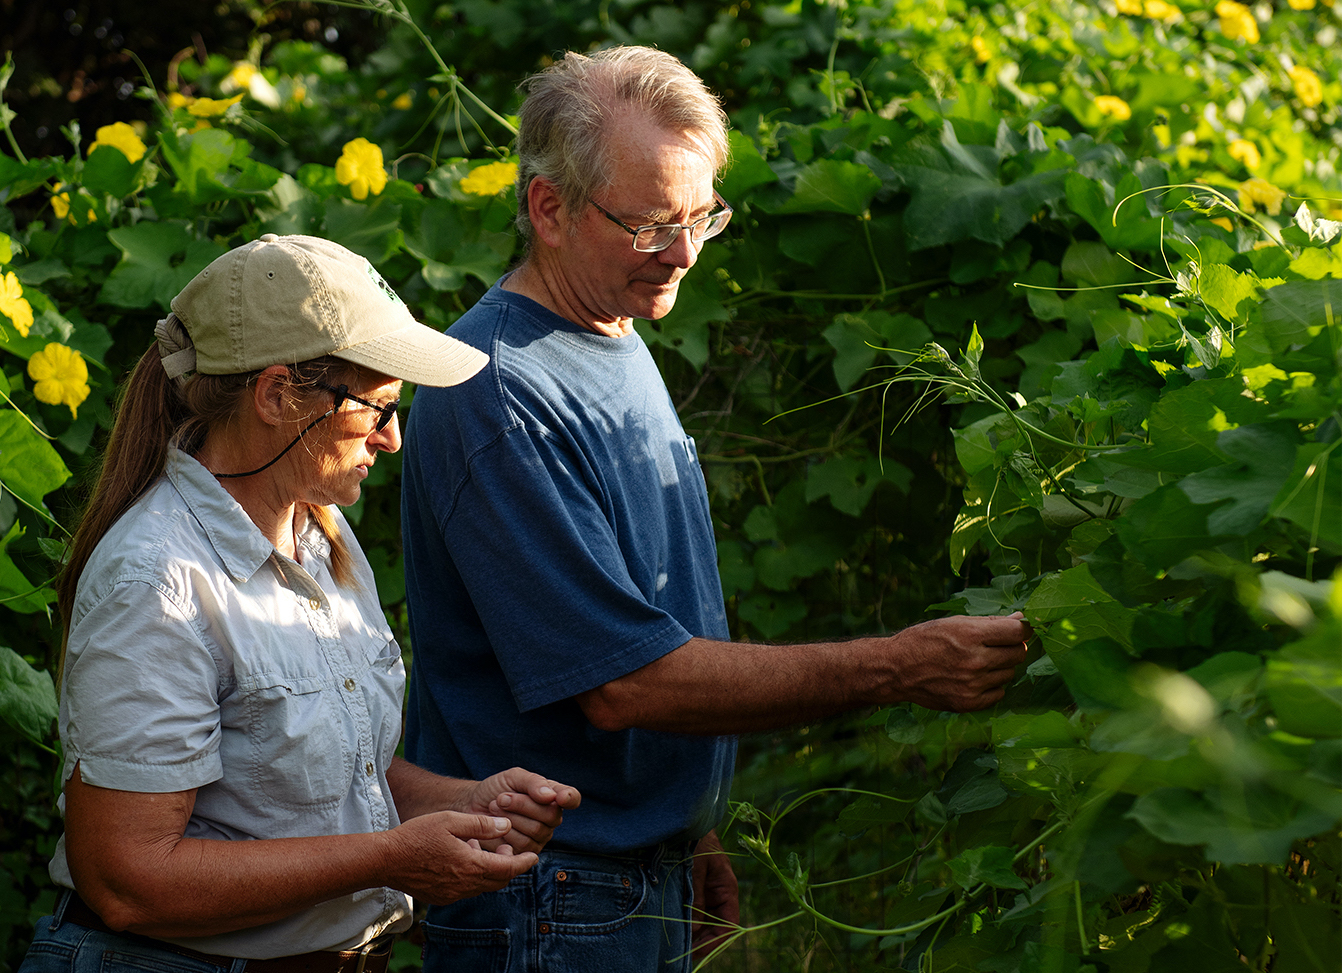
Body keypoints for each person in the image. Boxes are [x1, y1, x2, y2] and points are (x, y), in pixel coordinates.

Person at [399, 47, 1032, 972]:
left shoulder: (609, 327)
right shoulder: (499, 390)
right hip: (546, 894)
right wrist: (902, 666)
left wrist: (686, 827)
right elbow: (623, 683)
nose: (685, 254)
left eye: (703, 219)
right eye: (653, 224)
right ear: (549, 208)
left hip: (617, 875)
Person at [18, 234, 580, 973]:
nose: (394, 437)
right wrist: (390, 857)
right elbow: (126, 878)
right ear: (279, 395)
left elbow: (316, 776)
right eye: (377, 406)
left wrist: (467, 801)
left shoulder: (321, 534)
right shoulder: (158, 578)